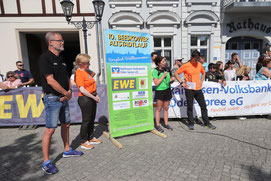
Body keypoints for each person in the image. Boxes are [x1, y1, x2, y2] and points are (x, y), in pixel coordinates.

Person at [39, 32, 83, 175]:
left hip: (64, 97)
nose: (62, 42)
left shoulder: (62, 59)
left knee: (67, 124)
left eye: (62, 40)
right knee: (50, 130)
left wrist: (69, 91)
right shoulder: (44, 58)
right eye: (60, 40)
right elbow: (50, 80)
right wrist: (66, 93)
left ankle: (67, 150)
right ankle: (46, 162)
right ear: (51, 42)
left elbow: (66, 78)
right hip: (53, 99)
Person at [174, 50, 216, 130]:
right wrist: (182, 83)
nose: (197, 61)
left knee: (203, 106)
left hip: (198, 89)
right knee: (190, 106)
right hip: (189, 89)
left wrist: (201, 81)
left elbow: (203, 73)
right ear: (191, 58)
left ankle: (207, 123)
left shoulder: (199, 65)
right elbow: (176, 73)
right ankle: (190, 123)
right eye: (196, 60)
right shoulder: (186, 65)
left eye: (198, 60)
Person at [74, 54, 102, 150]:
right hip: (85, 99)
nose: (89, 64)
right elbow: (82, 89)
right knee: (86, 120)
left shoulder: (86, 72)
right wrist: (93, 97)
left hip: (91, 97)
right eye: (87, 63)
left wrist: (96, 95)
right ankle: (84, 141)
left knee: (91, 119)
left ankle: (91, 137)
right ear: (81, 63)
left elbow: (91, 86)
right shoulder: (79, 73)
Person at [152, 56, 175, 132]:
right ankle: (158, 125)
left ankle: (166, 124)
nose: (165, 62)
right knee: (159, 109)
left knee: (166, 108)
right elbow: (156, 83)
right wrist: (163, 76)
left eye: (165, 61)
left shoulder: (167, 69)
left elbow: (169, 79)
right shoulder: (155, 71)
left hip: (167, 90)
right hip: (160, 91)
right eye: (163, 61)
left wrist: (172, 80)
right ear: (158, 63)